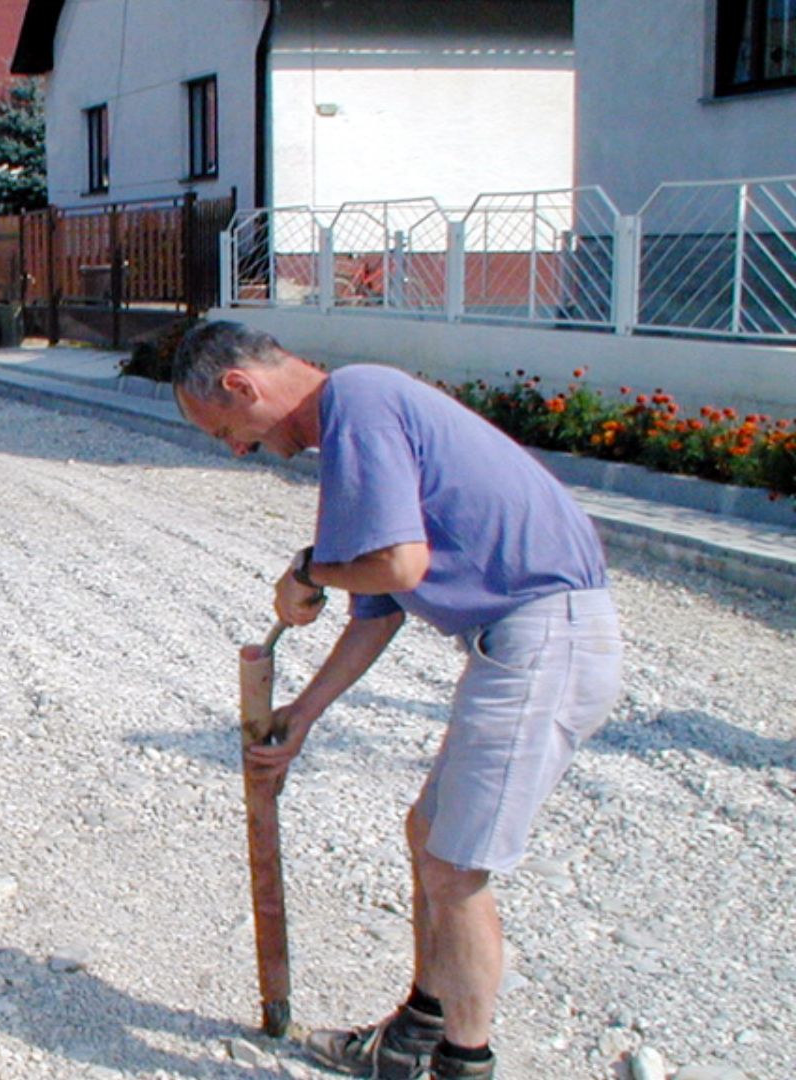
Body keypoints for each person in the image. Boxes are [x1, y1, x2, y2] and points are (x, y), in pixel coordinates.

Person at [171, 322, 622, 1080]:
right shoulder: (353, 421)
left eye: (226, 431)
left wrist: (311, 569)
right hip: (523, 642)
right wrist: (303, 716)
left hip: (547, 637)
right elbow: (377, 609)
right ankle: (416, 1032)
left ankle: (462, 1064)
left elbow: (398, 564)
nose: (238, 450)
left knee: (456, 870)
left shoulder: (359, 398)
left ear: (242, 387)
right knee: (429, 833)